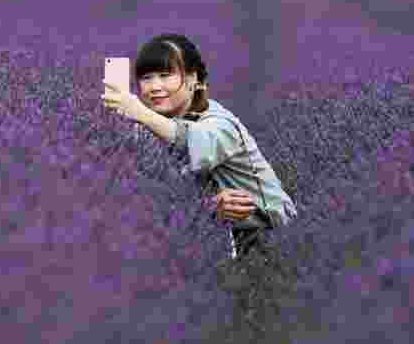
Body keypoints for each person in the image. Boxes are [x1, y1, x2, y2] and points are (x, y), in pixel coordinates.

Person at [101, 33, 298, 260]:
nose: (155, 86)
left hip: (273, 237)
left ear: (194, 80)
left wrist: (139, 112)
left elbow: (191, 143)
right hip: (221, 239)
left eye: (166, 75)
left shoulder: (221, 124)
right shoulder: (150, 127)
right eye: (146, 78)